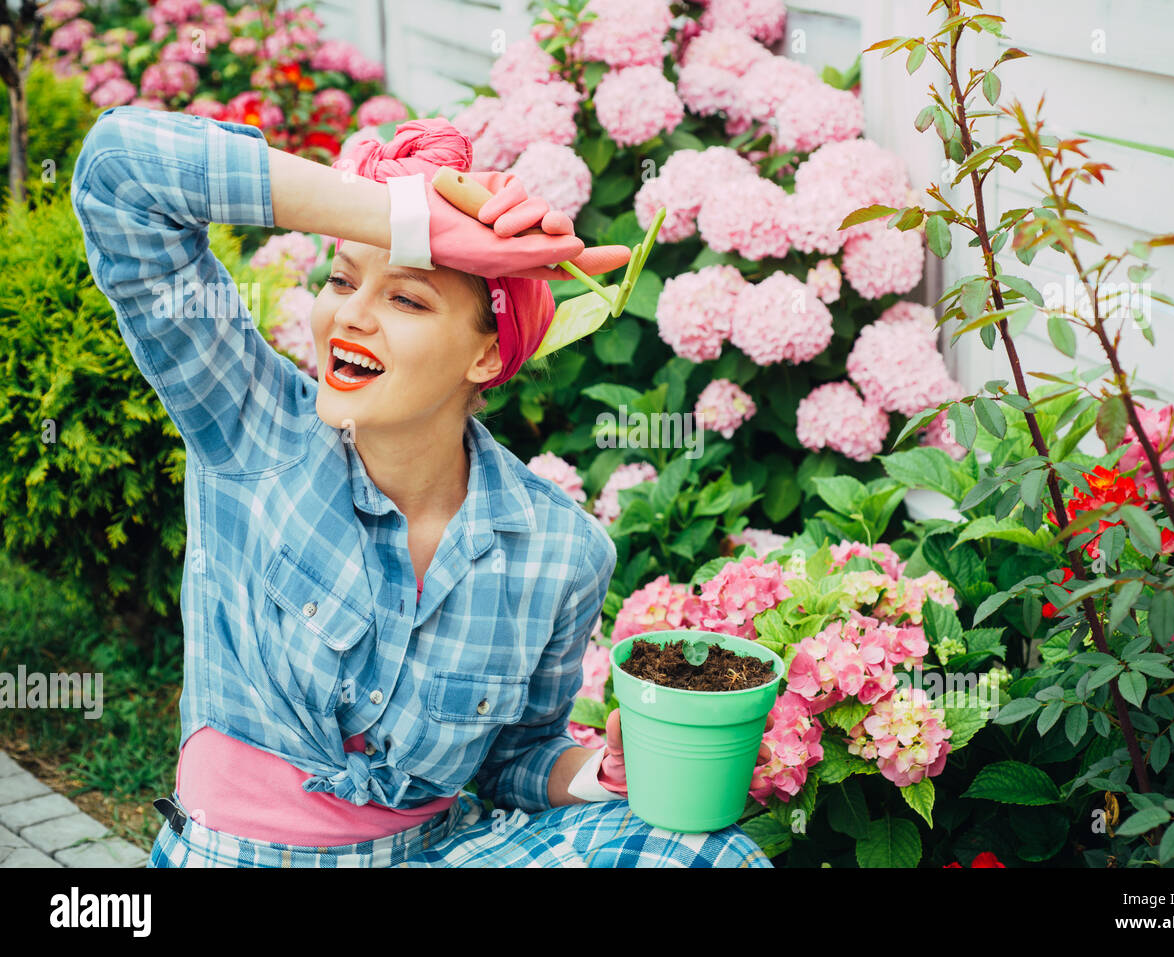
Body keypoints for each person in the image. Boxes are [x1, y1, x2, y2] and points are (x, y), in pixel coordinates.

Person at [69, 104, 774, 867]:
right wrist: (407, 214)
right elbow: (120, 173)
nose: (351, 315)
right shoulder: (250, 427)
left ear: (485, 356)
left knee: (705, 851)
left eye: (406, 297)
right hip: (237, 856)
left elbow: (515, 758)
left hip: (439, 852)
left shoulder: (558, 550)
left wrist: (597, 774)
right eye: (341, 278)